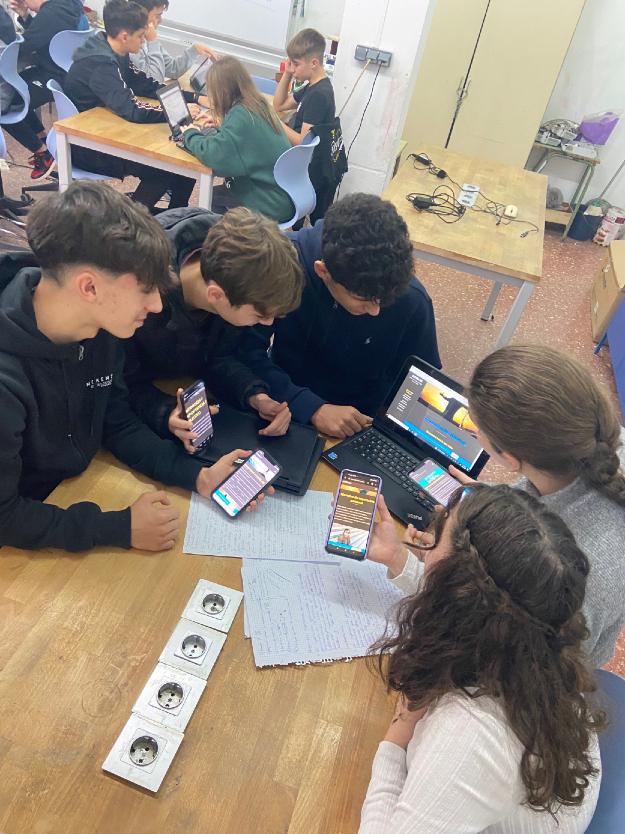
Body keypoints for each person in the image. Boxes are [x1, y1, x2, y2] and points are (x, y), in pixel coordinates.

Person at [0, 182, 268, 554]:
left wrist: (199, 476)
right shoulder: (7, 381)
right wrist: (117, 527)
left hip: (68, 494)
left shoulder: (98, 331)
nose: (157, 305)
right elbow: (5, 516)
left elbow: (117, 422)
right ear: (89, 288)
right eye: (145, 289)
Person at [361, 484, 602, 833]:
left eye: (435, 543)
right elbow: (479, 605)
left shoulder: (467, 738)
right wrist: (401, 561)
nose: (425, 551)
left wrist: (398, 737)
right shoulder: (536, 630)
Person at [377, 345, 625, 669]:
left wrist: (416, 567)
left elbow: (493, 654)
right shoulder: (596, 441)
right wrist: (491, 499)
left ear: (509, 459)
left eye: (474, 428)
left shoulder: (559, 571)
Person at [239, 193, 441, 438]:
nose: (375, 311)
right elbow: (245, 351)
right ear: (323, 271)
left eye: (384, 300)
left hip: (361, 424)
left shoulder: (411, 299)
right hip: (284, 404)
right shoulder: (284, 266)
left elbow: (421, 385)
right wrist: (311, 407)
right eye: (363, 299)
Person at [124, 205, 304, 445]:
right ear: (216, 295)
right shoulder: (137, 292)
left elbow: (218, 357)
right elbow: (119, 385)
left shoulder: (236, 274)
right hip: (131, 412)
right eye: (260, 315)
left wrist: (254, 395)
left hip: (180, 389)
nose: (268, 324)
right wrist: (166, 414)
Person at [64, 0, 203, 211]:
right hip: (88, 146)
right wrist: (175, 112)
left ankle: (176, 214)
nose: (143, 41)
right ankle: (127, 221)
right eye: (140, 36)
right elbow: (132, 110)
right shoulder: (100, 63)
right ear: (124, 36)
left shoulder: (112, 49)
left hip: (105, 131)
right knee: (165, 167)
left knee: (184, 154)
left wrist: (191, 98)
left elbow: (144, 84)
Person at [179, 55, 294, 223]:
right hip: (281, 192)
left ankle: (234, 237)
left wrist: (190, 133)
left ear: (223, 92)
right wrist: (223, 126)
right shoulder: (256, 103)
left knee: (209, 201)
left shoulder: (241, 116)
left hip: (268, 202)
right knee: (217, 196)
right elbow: (245, 137)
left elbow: (214, 156)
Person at [5, 0, 84, 179]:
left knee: (3, 102)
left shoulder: (52, 13)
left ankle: (42, 152)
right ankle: (42, 141)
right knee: (13, 91)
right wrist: (26, 16)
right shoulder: (64, 7)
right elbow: (45, 35)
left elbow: (26, 45)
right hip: (61, 71)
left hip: (53, 76)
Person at [131, 0, 217, 84]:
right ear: (143, 15)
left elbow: (172, 69)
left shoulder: (147, 38)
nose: (160, 20)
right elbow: (154, 81)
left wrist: (194, 50)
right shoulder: (131, 46)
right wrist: (153, 42)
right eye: (158, 15)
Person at [274, 27, 334, 147]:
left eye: (296, 64)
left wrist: (276, 122)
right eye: (291, 63)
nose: (293, 69)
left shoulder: (319, 95)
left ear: (313, 63)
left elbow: (303, 143)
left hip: (296, 155)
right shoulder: (313, 86)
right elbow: (279, 105)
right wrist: (288, 72)